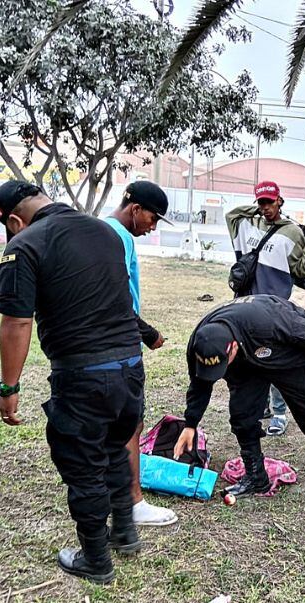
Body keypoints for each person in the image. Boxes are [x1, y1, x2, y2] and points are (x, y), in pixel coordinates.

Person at [0, 180, 145, 584]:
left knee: (84, 467)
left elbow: (17, 321)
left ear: (13, 220)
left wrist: (9, 388)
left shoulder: (24, 245)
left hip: (83, 375)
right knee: (114, 449)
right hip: (130, 367)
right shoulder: (105, 231)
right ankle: (125, 533)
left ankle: (95, 559)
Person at [173, 294, 305, 499]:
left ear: (233, 347)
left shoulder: (266, 323)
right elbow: (200, 385)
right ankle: (256, 478)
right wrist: (190, 424)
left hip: (287, 357)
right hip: (246, 365)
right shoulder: (200, 343)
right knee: (242, 416)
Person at [104, 180, 176, 527]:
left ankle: (112, 489)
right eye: (153, 218)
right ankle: (132, 502)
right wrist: (148, 334)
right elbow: (116, 299)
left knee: (115, 422)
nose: (153, 226)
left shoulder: (101, 229)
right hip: (121, 342)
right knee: (131, 423)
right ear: (136, 209)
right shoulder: (118, 237)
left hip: (104, 342)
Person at [225, 181, 305, 437]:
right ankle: (262, 406)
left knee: (276, 358)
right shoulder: (249, 223)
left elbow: (303, 271)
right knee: (249, 357)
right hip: (246, 303)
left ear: (280, 200)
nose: (266, 207)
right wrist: (257, 211)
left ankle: (279, 413)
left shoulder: (292, 232)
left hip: (275, 306)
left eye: (270, 201)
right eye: (261, 202)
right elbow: (231, 215)